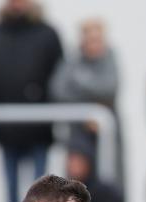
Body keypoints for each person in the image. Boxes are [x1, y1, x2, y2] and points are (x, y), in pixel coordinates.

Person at [0, 0, 63, 202]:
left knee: (42, 195)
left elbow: (59, 77)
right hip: (7, 129)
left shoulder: (47, 35)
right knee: (11, 196)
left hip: (40, 127)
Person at [49, 18, 123, 183]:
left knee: (109, 181)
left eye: (96, 40)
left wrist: (79, 82)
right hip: (78, 136)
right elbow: (58, 91)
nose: (93, 44)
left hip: (106, 136)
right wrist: (88, 110)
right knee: (76, 185)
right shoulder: (72, 62)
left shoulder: (110, 60)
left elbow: (109, 88)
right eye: (89, 39)